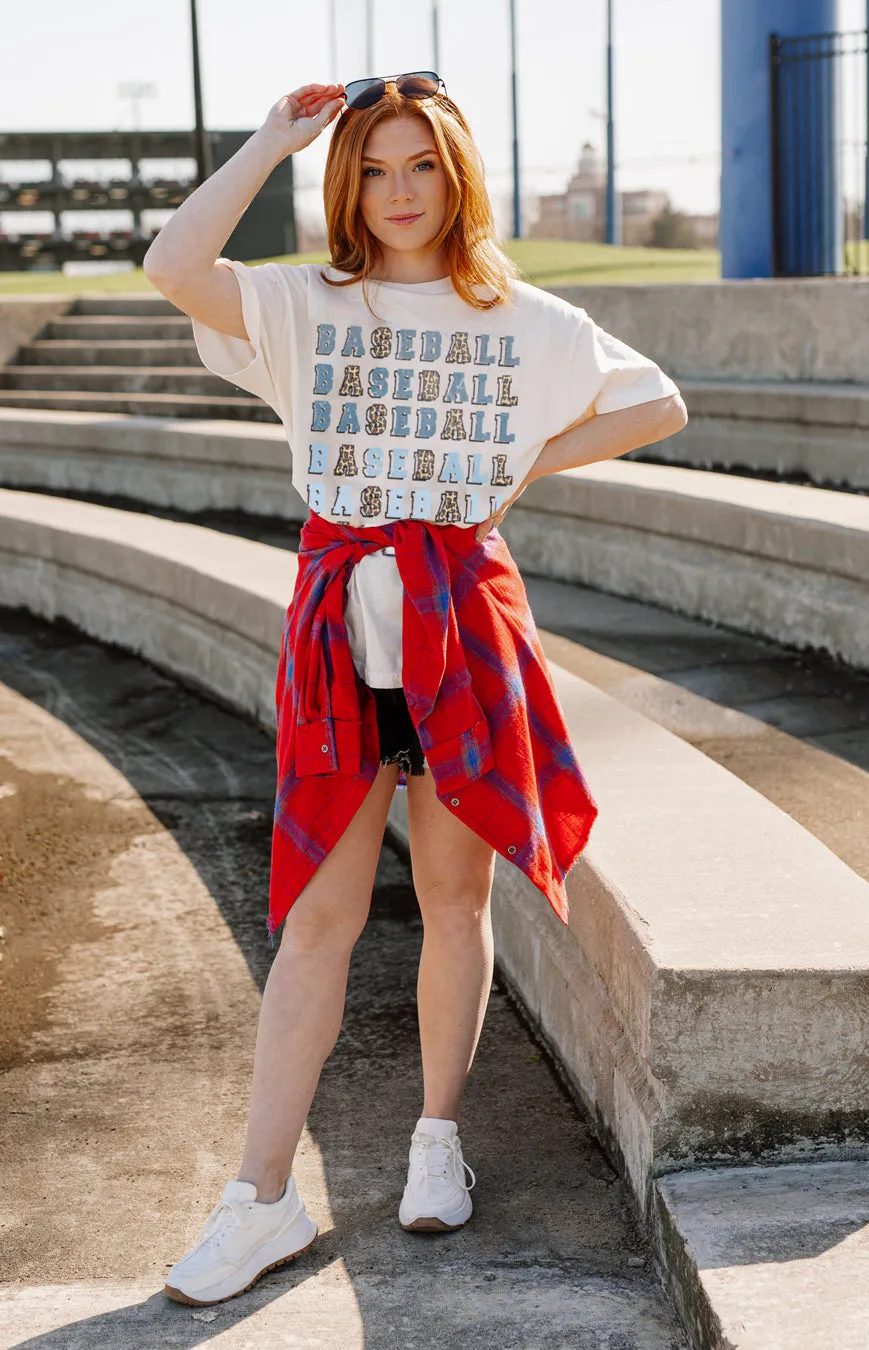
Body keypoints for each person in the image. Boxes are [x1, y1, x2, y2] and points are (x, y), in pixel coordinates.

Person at [143, 72, 687, 1308]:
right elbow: (176, 263)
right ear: (350, 181)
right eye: (375, 168)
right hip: (342, 639)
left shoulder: (516, 313)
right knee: (317, 922)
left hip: (464, 637)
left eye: (422, 167)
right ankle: (260, 1199)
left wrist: (514, 474)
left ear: (457, 175)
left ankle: (437, 1141)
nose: (398, 192)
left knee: (454, 901)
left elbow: (659, 399)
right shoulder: (302, 305)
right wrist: (277, 140)